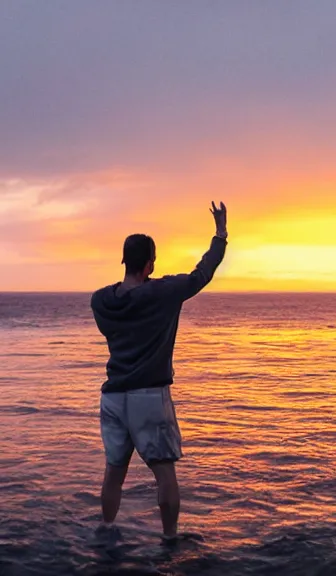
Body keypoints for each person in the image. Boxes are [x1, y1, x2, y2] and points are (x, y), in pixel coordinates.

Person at [90, 201, 228, 544]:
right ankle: (169, 542)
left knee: (114, 472)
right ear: (150, 261)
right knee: (164, 473)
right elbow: (201, 274)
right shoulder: (163, 293)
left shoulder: (100, 301)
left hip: (112, 397)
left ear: (124, 260)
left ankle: (106, 532)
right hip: (149, 397)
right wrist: (220, 234)